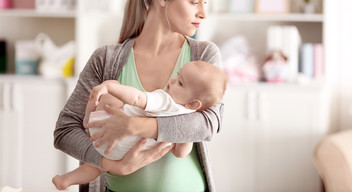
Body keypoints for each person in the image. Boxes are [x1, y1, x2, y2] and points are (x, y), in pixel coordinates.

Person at [53, 0, 224, 191]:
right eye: (195, 2)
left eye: (205, 2)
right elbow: (65, 130)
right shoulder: (106, 59)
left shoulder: (202, 56)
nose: (203, 13)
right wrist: (111, 164)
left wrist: (134, 126)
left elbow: (207, 123)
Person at [52, 61, 226, 190]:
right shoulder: (189, 118)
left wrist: (111, 87)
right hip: (121, 153)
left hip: (105, 136)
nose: (173, 80)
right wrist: (185, 136)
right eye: (177, 75)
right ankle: (66, 180)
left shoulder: (165, 100)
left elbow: (137, 98)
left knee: (111, 94)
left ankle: (87, 119)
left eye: (180, 82)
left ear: (194, 103)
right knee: (97, 168)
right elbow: (181, 153)